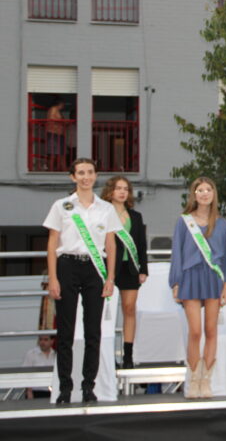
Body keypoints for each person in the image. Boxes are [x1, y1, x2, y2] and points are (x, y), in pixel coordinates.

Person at [43, 158, 121, 404]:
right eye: (81, 173)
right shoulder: (62, 206)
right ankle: (65, 388)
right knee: (65, 331)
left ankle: (89, 386)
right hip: (67, 265)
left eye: (90, 172)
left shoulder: (106, 208)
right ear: (72, 177)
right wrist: (53, 278)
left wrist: (110, 278)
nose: (86, 177)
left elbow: (110, 245)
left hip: (94, 268)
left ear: (96, 176)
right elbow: (52, 243)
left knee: (93, 332)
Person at [169, 177, 226, 399]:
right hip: (190, 276)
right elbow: (176, 252)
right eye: (200, 190)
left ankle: (206, 380)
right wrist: (175, 282)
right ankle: (194, 378)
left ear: (214, 194)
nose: (204, 193)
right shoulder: (184, 221)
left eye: (208, 189)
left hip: (214, 277)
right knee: (195, 331)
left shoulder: (222, 223)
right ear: (193, 194)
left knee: (211, 330)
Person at [100, 176, 148, 369]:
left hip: (131, 267)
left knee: (129, 309)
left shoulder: (135, 216)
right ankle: (106, 354)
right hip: (108, 268)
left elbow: (141, 245)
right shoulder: (101, 213)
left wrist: (143, 269)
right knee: (106, 313)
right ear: (110, 191)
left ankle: (128, 356)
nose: (122, 192)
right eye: (118, 188)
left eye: (125, 189)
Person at [22, 335, 56, 399]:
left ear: (52, 341)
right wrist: (29, 392)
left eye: (45, 340)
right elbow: (25, 374)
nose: (42, 342)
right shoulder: (31, 354)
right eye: (40, 339)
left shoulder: (56, 355)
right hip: (36, 392)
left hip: (52, 392)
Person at [45, 99, 67, 170]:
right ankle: (51, 169)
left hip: (58, 133)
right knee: (53, 153)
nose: (63, 106)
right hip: (53, 133)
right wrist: (62, 121)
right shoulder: (53, 109)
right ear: (60, 103)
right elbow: (52, 118)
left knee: (61, 153)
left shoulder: (58, 111)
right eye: (63, 104)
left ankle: (62, 168)